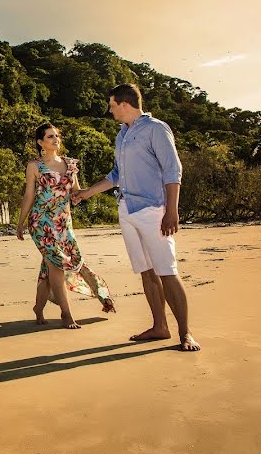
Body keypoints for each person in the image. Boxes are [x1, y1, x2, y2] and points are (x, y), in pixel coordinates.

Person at [74, 84, 200, 351]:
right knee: (146, 271)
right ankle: (159, 327)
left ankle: (186, 333)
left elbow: (172, 170)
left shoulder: (156, 128)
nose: (110, 110)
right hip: (127, 209)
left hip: (153, 210)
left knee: (167, 271)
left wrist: (172, 210)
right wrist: (87, 193)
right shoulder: (122, 134)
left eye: (111, 105)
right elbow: (116, 175)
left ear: (124, 103)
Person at [17, 123, 116, 329]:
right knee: (56, 264)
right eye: (50, 136)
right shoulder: (34, 165)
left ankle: (39, 307)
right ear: (40, 142)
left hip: (63, 223)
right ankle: (66, 313)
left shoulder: (70, 165)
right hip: (41, 222)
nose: (55, 139)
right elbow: (29, 196)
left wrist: (85, 194)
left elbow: (76, 192)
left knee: (50, 266)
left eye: (57, 136)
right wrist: (20, 223)